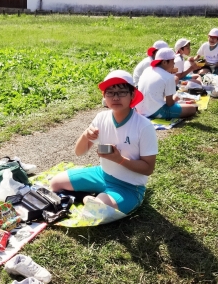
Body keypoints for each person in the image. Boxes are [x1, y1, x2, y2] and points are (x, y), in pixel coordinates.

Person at [50, 70, 157, 215]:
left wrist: (119, 160)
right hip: (102, 174)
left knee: (98, 210)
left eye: (122, 92)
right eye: (110, 92)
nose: (116, 97)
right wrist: (85, 135)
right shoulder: (101, 118)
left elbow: (148, 168)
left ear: (132, 94)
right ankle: (91, 197)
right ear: (104, 97)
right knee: (55, 184)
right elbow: (79, 152)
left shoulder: (144, 126)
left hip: (130, 186)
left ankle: (89, 198)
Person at [136, 48, 198, 120]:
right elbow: (170, 103)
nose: (174, 64)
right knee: (192, 108)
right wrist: (176, 100)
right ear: (164, 62)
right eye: (172, 61)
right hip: (155, 111)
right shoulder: (168, 77)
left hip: (140, 109)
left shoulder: (147, 70)